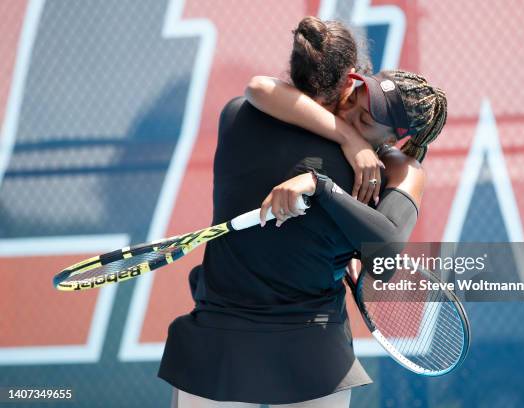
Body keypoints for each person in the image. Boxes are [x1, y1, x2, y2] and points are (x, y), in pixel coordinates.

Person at [158, 16, 445, 408]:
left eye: (366, 119)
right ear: (352, 82)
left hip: (259, 346)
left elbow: (382, 258)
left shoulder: (237, 115)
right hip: (291, 349)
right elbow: (383, 260)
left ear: (399, 138)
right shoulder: (388, 169)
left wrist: (320, 187)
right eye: (361, 100)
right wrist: (343, 154)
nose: (354, 113)